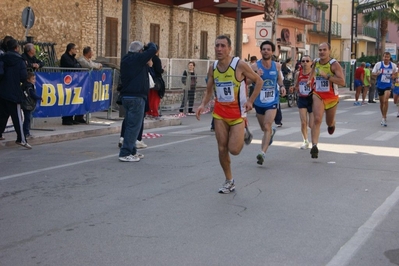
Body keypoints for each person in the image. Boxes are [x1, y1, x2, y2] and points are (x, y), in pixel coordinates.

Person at [196, 35, 263, 194]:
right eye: (217, 45)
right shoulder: (213, 67)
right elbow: (209, 90)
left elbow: (258, 81)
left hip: (238, 114)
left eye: (223, 46)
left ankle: (245, 132)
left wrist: (250, 101)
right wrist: (202, 104)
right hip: (220, 113)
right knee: (221, 147)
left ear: (229, 48)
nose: (219, 49)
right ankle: (229, 180)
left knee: (234, 150)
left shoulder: (239, 65)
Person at [118, 41, 157, 162]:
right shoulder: (138, 59)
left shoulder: (126, 59)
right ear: (140, 51)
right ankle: (125, 153)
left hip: (127, 96)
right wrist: (148, 45)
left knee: (132, 124)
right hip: (136, 98)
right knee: (134, 126)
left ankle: (132, 150)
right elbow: (153, 49)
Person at [308, 42, 345, 159]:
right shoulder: (316, 62)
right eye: (320, 50)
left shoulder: (334, 65)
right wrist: (310, 80)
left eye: (324, 50)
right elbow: (312, 73)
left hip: (332, 97)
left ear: (329, 51)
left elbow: (343, 82)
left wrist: (328, 77)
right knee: (317, 119)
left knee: (328, 122)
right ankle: (314, 145)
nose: (322, 52)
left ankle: (332, 124)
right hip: (318, 94)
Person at [253, 40, 286, 165]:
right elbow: (248, 82)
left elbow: (279, 79)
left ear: (272, 52)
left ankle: (262, 153)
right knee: (264, 128)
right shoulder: (254, 67)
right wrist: (256, 75)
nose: (266, 51)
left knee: (267, 126)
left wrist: (282, 86)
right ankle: (271, 132)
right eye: (264, 49)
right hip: (258, 101)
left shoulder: (277, 66)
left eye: (268, 49)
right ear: (261, 51)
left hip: (272, 100)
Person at [0, 38, 31, 149]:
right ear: (16, 48)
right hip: (14, 93)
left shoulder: (3, 58)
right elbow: (23, 77)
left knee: (3, 116)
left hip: (2, 91)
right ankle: (21, 139)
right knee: (17, 117)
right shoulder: (20, 60)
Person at [60, 43, 84, 125]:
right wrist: (75, 66)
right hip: (67, 82)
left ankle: (71, 117)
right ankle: (66, 119)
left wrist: (76, 66)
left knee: (72, 100)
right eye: (75, 49)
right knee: (67, 100)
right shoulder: (65, 57)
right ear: (71, 49)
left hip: (73, 82)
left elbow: (78, 66)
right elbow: (71, 66)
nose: (76, 50)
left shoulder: (73, 58)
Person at [293, 55, 314, 149]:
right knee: (303, 122)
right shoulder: (298, 73)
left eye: (307, 61)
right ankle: (305, 141)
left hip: (312, 99)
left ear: (311, 63)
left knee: (311, 124)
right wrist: (293, 88)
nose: (305, 63)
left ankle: (314, 140)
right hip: (302, 99)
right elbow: (296, 85)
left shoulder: (314, 73)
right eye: (303, 61)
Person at [372, 52, 397, 127]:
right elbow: (373, 73)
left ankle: (384, 117)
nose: (386, 58)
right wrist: (377, 74)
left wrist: (393, 76)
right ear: (383, 57)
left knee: (386, 100)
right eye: (385, 57)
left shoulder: (393, 65)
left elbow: (395, 73)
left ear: (389, 58)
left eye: (388, 57)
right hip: (380, 85)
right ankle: (383, 114)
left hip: (388, 85)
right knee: (382, 102)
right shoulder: (378, 64)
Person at [21, 72, 42, 138]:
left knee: (27, 118)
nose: (34, 81)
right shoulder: (29, 87)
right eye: (33, 79)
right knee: (27, 119)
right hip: (27, 105)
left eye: (35, 79)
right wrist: (39, 97)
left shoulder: (28, 86)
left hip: (27, 104)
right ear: (28, 80)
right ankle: (25, 132)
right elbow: (32, 95)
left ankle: (25, 132)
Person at [146, 45, 163, 118]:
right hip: (155, 81)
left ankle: (149, 111)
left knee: (149, 97)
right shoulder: (156, 59)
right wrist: (162, 70)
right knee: (155, 97)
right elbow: (158, 70)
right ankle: (154, 112)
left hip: (147, 80)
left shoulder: (146, 58)